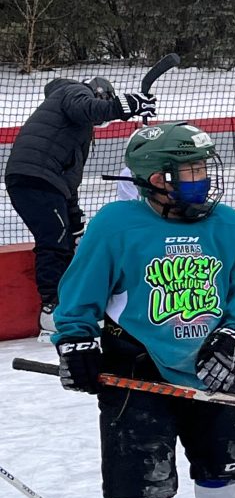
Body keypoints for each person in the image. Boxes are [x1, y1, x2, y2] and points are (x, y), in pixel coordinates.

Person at [51, 121, 235, 498]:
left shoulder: (227, 223)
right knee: (138, 497)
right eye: (191, 171)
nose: (204, 179)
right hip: (136, 375)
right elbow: (79, 297)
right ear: (158, 178)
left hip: (211, 373)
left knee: (228, 488)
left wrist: (234, 336)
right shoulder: (116, 225)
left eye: (203, 168)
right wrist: (75, 342)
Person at [4, 77, 156, 336]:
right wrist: (126, 106)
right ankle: (51, 310)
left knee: (62, 238)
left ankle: (64, 304)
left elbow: (69, 181)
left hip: (41, 179)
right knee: (54, 241)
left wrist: (76, 225)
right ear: (99, 92)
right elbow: (88, 108)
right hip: (36, 176)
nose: (98, 121)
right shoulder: (72, 91)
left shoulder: (73, 130)